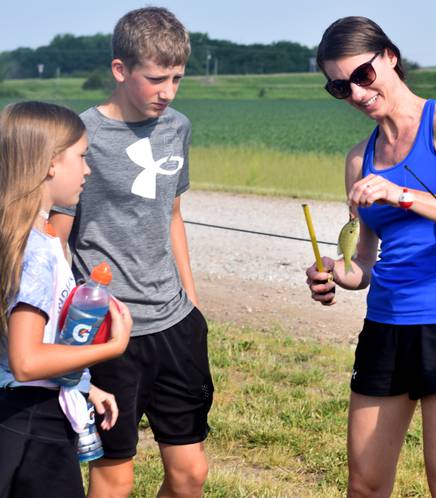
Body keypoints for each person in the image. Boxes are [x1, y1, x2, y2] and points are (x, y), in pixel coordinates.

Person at [305, 16, 436, 498]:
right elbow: (365, 264)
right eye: (339, 87)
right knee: (365, 485)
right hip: (386, 328)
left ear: (390, 56)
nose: (355, 93)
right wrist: (334, 272)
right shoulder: (360, 158)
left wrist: (401, 195)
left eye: (362, 76)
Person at [49, 7, 212, 498]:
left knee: (190, 476)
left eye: (177, 78)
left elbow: (172, 215)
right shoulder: (79, 138)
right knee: (114, 477)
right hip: (107, 330)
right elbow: (56, 239)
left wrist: (193, 300)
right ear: (121, 70)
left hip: (175, 323)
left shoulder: (177, 126)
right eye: (156, 78)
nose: (168, 91)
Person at [0, 101, 132, 497]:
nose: (88, 169)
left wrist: (83, 386)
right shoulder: (37, 250)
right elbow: (27, 362)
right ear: (51, 163)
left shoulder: (24, 236)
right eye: (82, 156)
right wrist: (112, 347)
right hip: (30, 423)